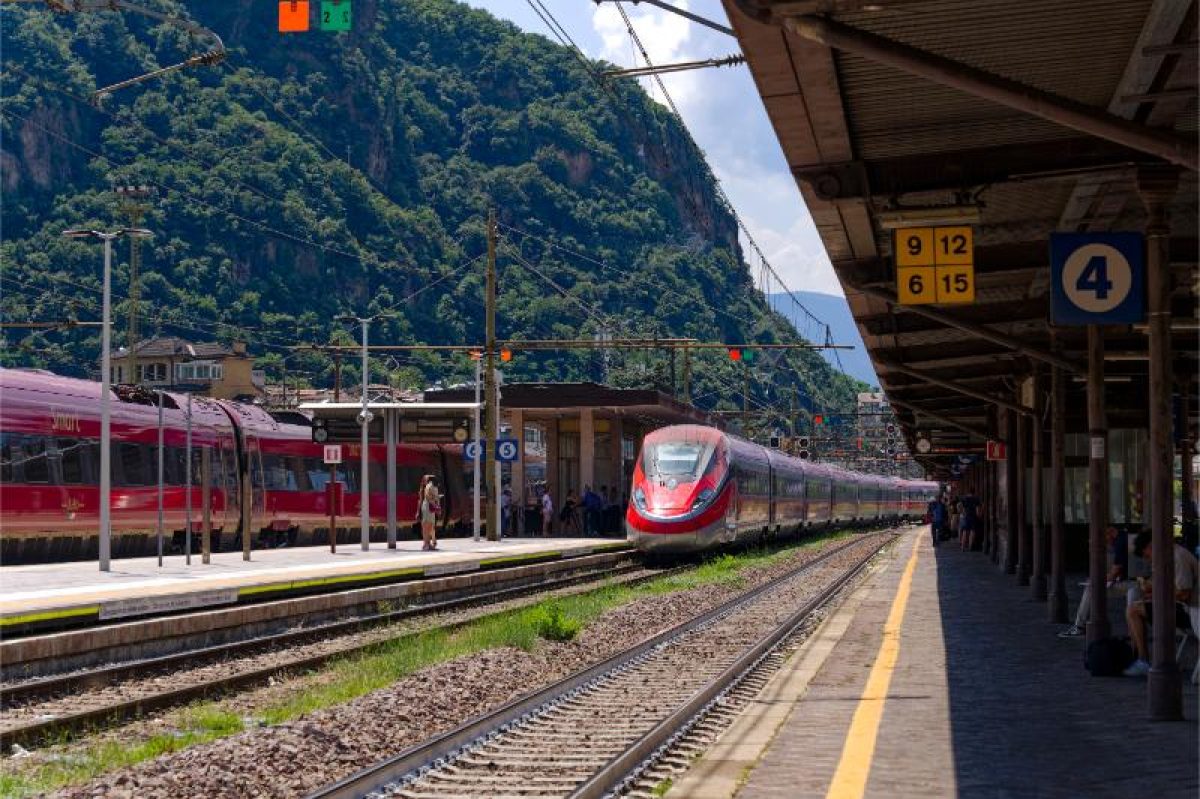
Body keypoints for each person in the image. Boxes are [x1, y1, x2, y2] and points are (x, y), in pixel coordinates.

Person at [1123, 530, 1199, 677]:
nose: (1149, 560)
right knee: (1134, 603)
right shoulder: (1169, 556)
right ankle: (1138, 656)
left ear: (1152, 546)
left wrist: (1157, 595)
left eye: (1147, 555)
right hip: (1184, 607)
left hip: (1191, 610)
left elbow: (1184, 593)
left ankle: (1143, 659)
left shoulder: (1177, 557)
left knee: (1133, 610)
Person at [1058, 525, 1127, 637]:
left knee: (1091, 589)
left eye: (1105, 539)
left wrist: (1097, 580)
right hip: (1132, 581)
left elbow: (1114, 572)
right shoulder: (1123, 539)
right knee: (1092, 586)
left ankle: (1079, 626)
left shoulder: (1120, 544)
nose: (1106, 543)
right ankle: (1080, 625)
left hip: (1132, 584)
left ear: (1110, 533)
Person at [419, 475, 440, 551]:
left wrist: (436, 505)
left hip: (429, 507)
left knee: (429, 526)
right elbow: (428, 496)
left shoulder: (431, 486)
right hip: (428, 507)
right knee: (427, 526)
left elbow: (432, 497)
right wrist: (435, 505)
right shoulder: (430, 486)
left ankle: (428, 544)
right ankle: (426, 544)